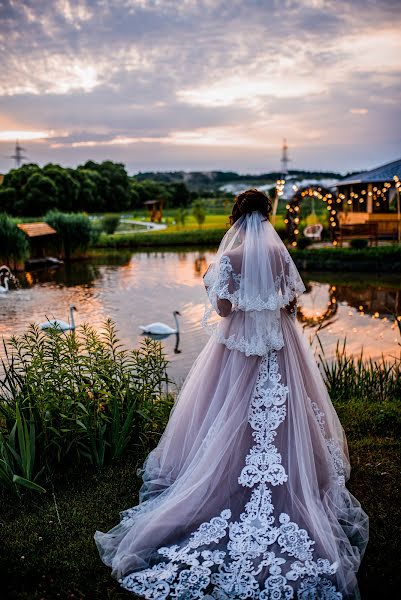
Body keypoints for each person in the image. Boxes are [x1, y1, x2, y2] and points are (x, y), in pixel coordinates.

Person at [95, 189, 368, 599]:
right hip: (279, 345)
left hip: (237, 348)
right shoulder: (280, 255)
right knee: (283, 414)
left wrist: (218, 284)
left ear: (235, 218)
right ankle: (295, 473)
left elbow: (223, 310)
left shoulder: (229, 259)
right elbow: (291, 304)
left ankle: (223, 474)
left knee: (227, 412)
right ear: (267, 215)